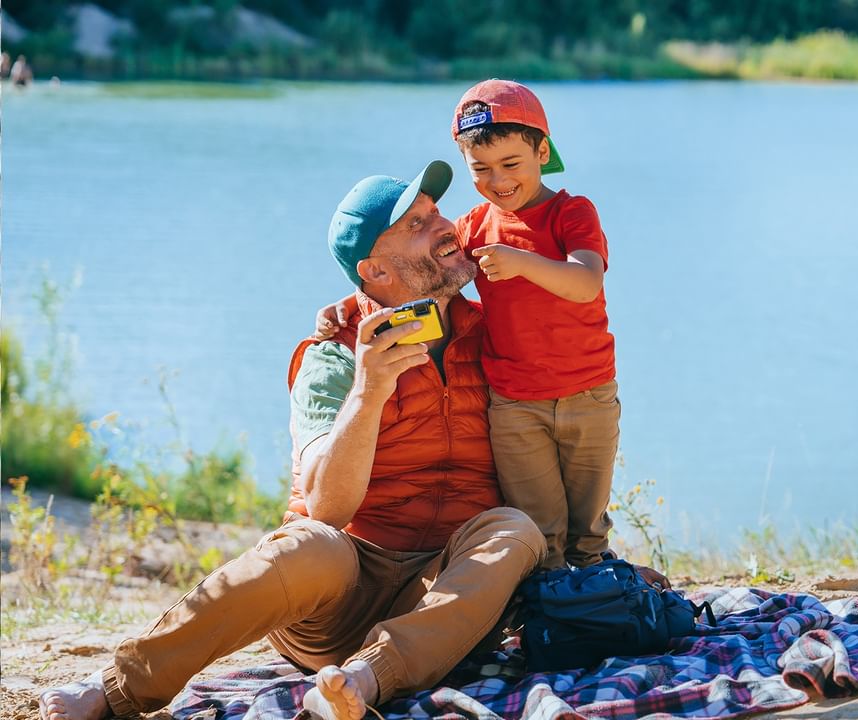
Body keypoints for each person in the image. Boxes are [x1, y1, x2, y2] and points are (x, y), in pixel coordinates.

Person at [38, 163, 546, 720]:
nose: (444, 225)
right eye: (416, 223)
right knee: (313, 545)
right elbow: (329, 507)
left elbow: (571, 403)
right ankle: (117, 687)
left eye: (435, 212)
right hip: (335, 600)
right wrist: (369, 390)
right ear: (374, 269)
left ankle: (363, 682)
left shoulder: (495, 329)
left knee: (513, 530)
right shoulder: (333, 355)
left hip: (443, 599)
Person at [319, 80, 621, 573]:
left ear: (541, 151)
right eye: (480, 169)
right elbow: (410, 266)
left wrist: (520, 262)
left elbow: (586, 283)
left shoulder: (572, 211)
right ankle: (547, 616)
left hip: (588, 392)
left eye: (511, 164)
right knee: (540, 527)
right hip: (515, 405)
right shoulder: (477, 225)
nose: (498, 180)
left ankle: (596, 604)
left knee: (587, 528)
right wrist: (350, 301)